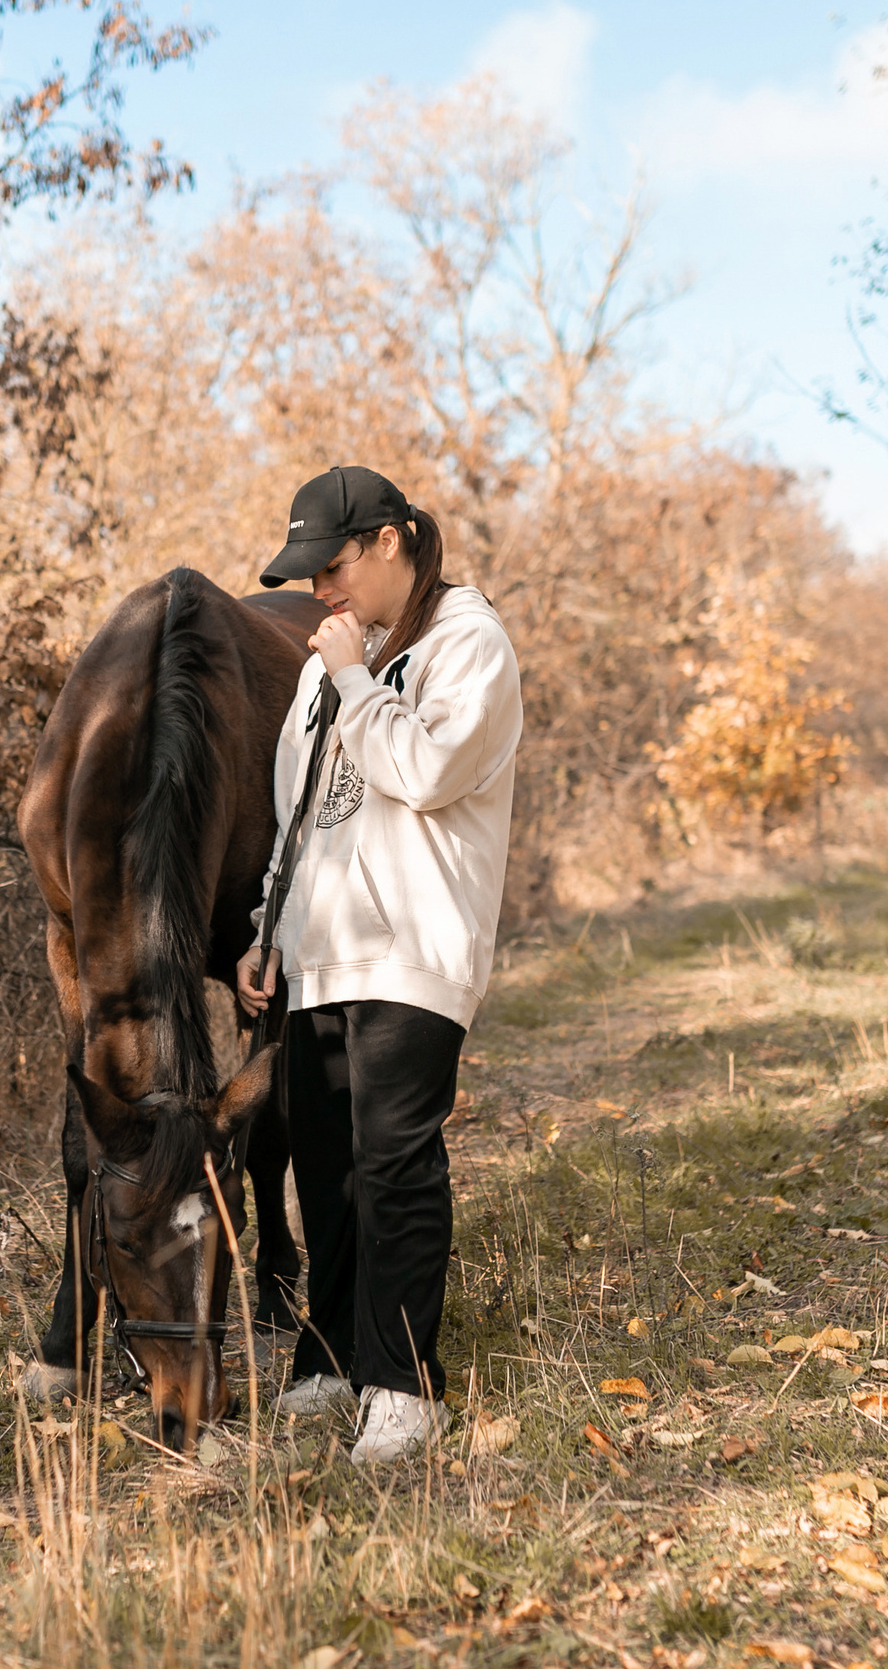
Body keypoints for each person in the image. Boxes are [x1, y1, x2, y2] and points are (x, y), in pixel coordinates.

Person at [236, 464, 522, 1464]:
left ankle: (404, 1387)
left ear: (394, 539)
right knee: (323, 1166)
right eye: (308, 575)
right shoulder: (327, 666)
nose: (320, 590)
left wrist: (356, 677)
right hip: (318, 952)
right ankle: (328, 1360)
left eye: (334, 564)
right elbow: (300, 811)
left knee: (392, 1162)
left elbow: (429, 772)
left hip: (413, 945)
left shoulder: (467, 646)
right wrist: (266, 927)